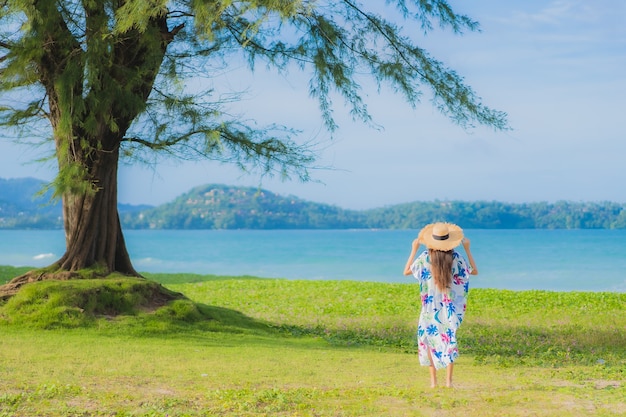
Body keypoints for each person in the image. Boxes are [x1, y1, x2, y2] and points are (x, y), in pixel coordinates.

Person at [403, 222, 478, 388]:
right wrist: (467, 248)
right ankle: (449, 382)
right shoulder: (456, 258)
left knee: (429, 341)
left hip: (429, 309)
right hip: (449, 309)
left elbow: (407, 271)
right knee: (449, 340)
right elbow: (473, 271)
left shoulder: (425, 258)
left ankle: (433, 383)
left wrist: (414, 249)